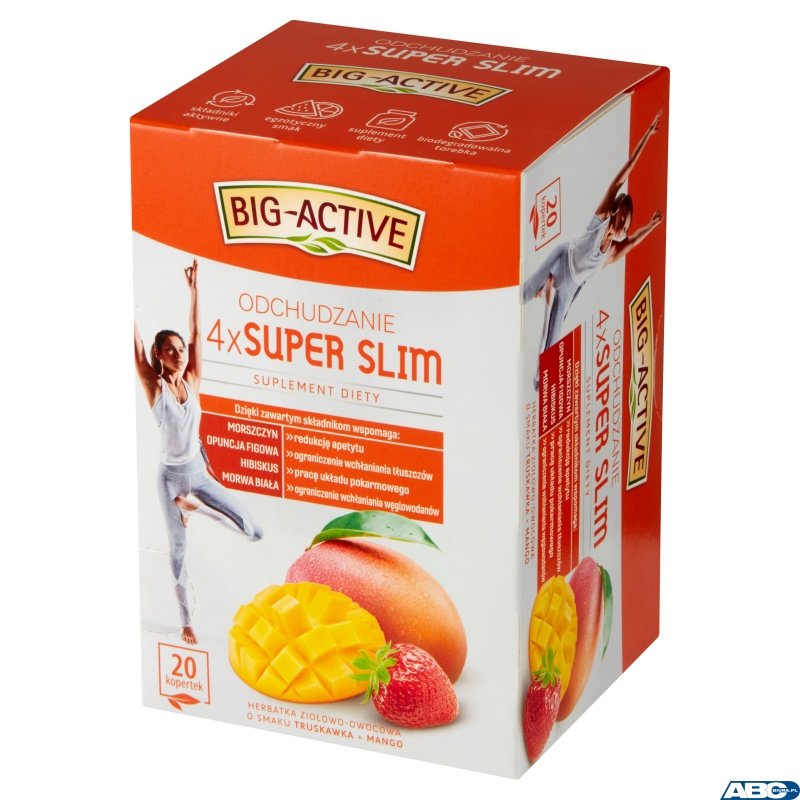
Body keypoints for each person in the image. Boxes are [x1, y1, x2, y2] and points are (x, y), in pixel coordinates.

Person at [134, 260, 263, 644]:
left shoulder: (193, 379)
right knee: (178, 550)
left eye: (181, 350)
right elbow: (134, 348)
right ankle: (187, 621)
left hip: (199, 475)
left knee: (254, 532)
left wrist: (194, 291)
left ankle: (195, 508)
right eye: (170, 350)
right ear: (158, 354)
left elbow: (196, 334)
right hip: (170, 479)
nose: (179, 354)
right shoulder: (154, 387)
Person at [524, 110, 664, 386]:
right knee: (528, 290)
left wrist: (651, 226)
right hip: (561, 257)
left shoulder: (610, 255)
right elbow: (623, 173)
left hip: (570, 288)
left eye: (627, 224)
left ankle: (538, 386)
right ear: (614, 211)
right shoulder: (600, 220)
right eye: (622, 217)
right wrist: (648, 133)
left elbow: (634, 241)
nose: (623, 224)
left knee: (552, 341)